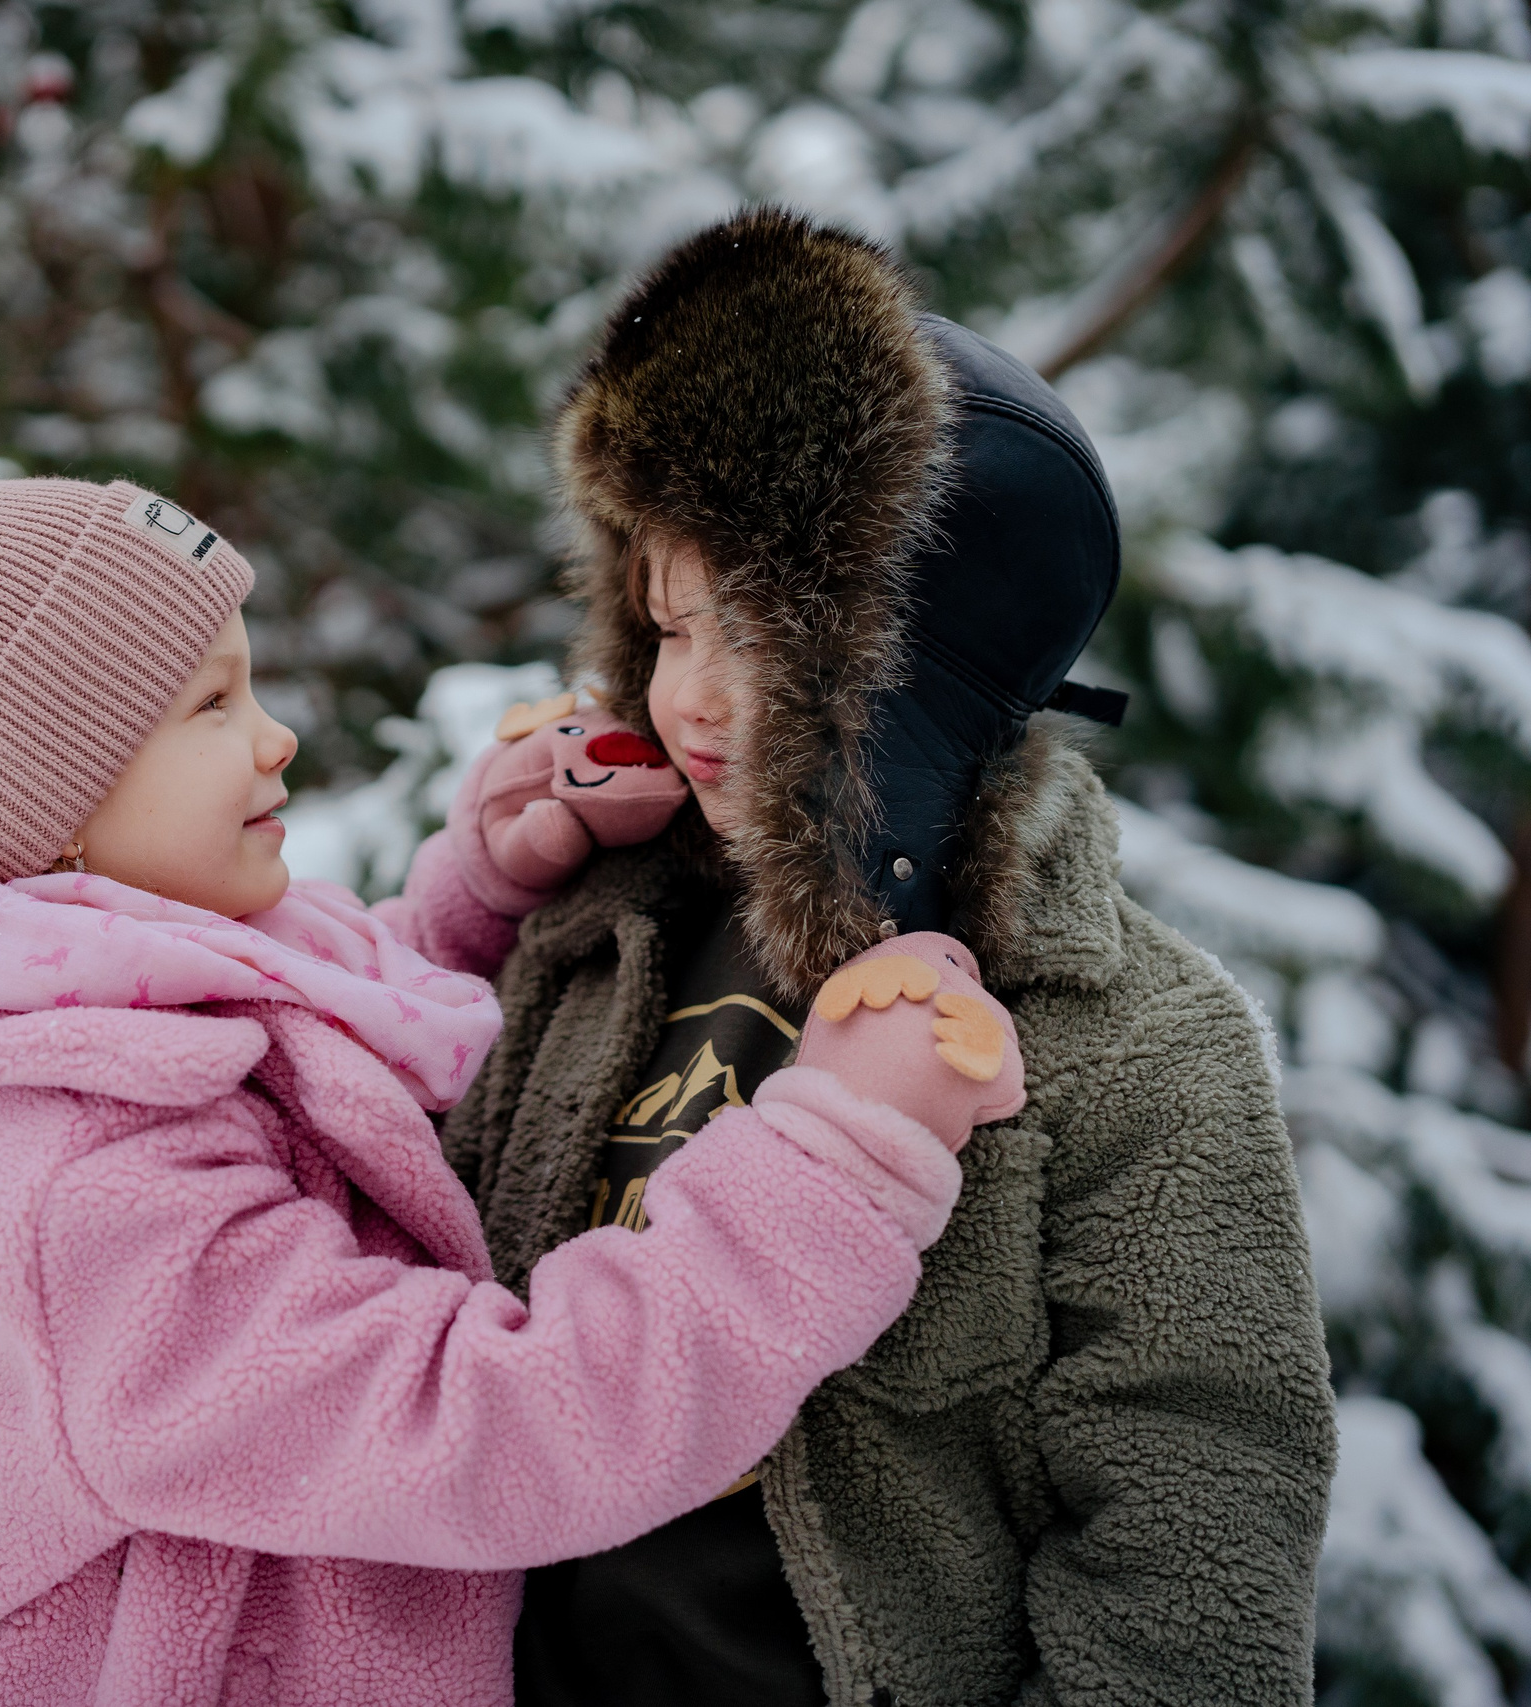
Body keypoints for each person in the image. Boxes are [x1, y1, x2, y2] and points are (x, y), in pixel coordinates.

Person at [0, 465, 1030, 1706]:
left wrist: (496, 886)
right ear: (53, 800)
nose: (275, 736)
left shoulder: (138, 981)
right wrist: (841, 1157)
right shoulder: (84, 1186)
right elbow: (498, 1427)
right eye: (211, 708)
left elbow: (327, 1055)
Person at [420, 207, 1336, 1707]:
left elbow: (1194, 1544)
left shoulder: (1131, 1040)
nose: (689, 697)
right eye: (664, 627)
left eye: (754, 634)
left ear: (903, 659)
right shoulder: (599, 931)